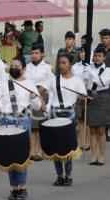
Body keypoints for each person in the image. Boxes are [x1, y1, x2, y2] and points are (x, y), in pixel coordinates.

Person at [0, 56, 42, 200]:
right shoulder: (4, 84)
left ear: (23, 69)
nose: (14, 69)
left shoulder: (29, 84)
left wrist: (34, 98)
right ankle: (14, 188)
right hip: (6, 120)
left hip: (23, 121)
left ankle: (22, 187)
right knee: (9, 156)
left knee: (21, 156)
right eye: (12, 66)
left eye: (17, 66)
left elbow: (37, 106)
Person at [45, 53, 86, 186]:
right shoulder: (54, 79)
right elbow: (47, 94)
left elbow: (83, 98)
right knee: (56, 146)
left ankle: (68, 174)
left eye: (64, 63)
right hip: (55, 113)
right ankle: (59, 175)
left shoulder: (77, 80)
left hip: (70, 113)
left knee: (67, 146)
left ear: (70, 65)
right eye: (60, 63)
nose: (61, 65)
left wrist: (82, 97)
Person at [24, 42, 53, 161]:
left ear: (42, 54)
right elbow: (25, 81)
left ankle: (41, 151)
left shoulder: (47, 67)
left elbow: (50, 82)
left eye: (37, 53)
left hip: (41, 96)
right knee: (33, 126)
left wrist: (37, 91)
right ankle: (32, 151)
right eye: (32, 53)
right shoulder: (28, 67)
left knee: (41, 125)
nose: (34, 55)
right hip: (29, 96)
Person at [84, 45, 110, 166]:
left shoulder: (108, 70)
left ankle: (102, 155)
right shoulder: (88, 68)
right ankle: (93, 155)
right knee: (92, 129)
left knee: (101, 129)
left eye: (99, 56)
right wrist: (85, 74)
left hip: (103, 98)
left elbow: (102, 82)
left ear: (104, 57)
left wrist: (90, 74)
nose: (97, 58)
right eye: (95, 56)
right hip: (91, 97)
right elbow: (86, 83)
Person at [72, 45, 91, 151]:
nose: (83, 54)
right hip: (78, 95)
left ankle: (88, 142)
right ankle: (82, 142)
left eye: (85, 52)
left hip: (88, 95)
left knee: (87, 120)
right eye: (81, 52)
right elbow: (74, 81)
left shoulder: (91, 66)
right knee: (80, 120)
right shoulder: (75, 67)